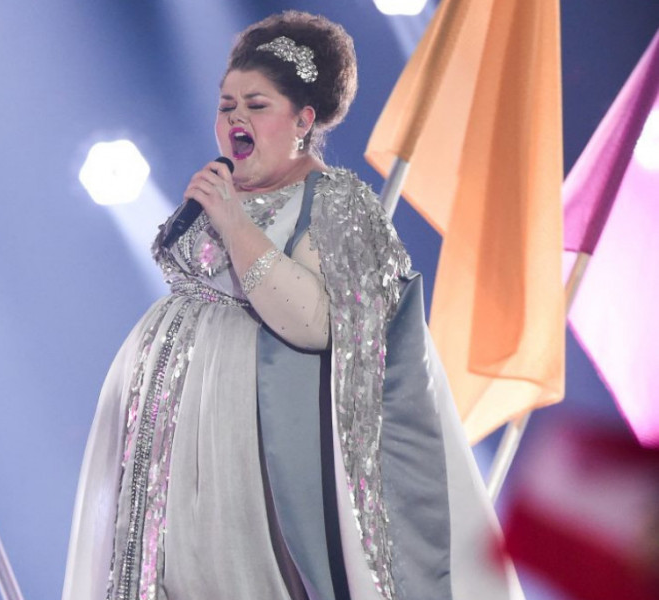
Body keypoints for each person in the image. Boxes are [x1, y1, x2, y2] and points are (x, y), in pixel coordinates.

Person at [62, 11, 523, 600]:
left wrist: (233, 223)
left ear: (304, 120)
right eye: (226, 105)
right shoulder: (224, 194)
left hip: (254, 457)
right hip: (167, 458)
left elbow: (312, 323)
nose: (235, 117)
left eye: (256, 105)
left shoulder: (334, 201)